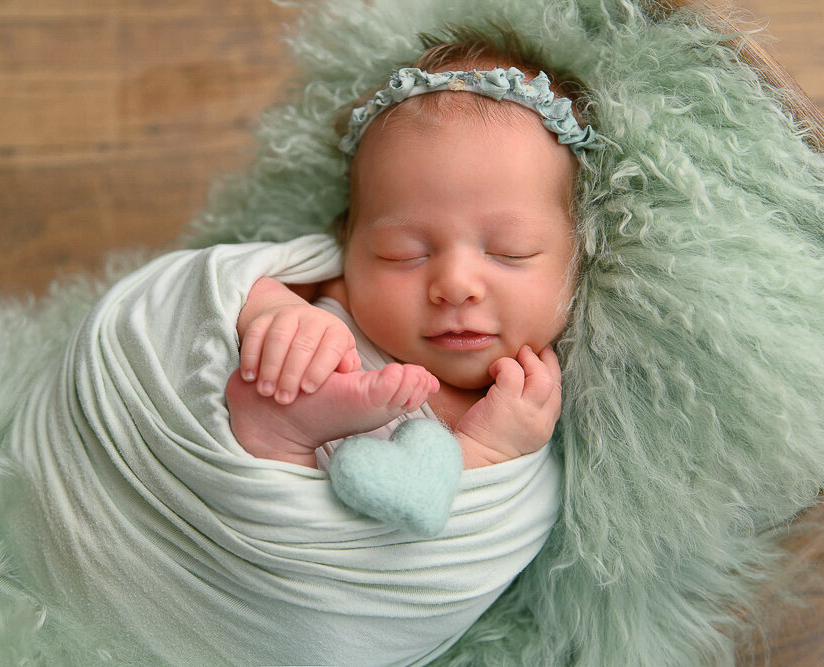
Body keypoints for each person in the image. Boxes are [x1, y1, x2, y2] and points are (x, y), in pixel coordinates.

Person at [225, 36, 595, 471]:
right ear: (350, 243)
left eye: (510, 252)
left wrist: (488, 453)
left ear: (579, 255)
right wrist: (272, 310)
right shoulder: (329, 296)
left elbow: (462, 536)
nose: (456, 286)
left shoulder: (528, 409)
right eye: (402, 253)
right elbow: (220, 283)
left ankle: (280, 443)